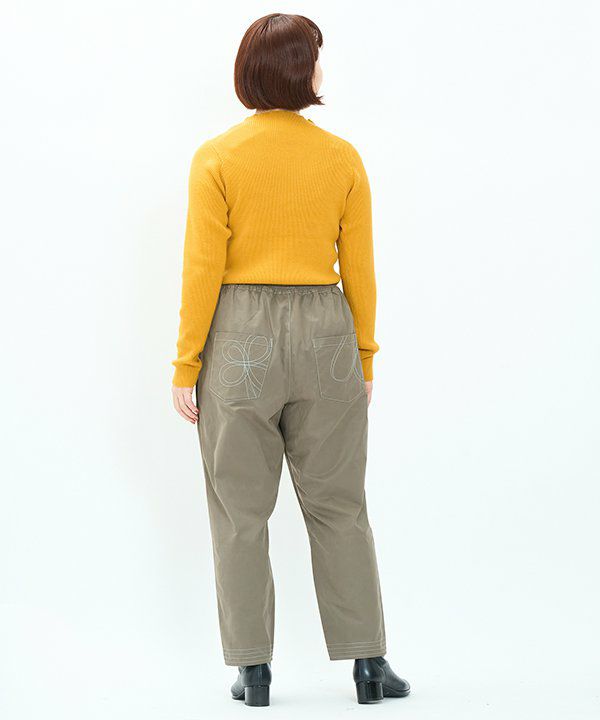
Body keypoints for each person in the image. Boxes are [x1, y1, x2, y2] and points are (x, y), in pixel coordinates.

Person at [171, 13, 410, 707]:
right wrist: (364, 356)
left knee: (239, 512)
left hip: (238, 336)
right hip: (326, 333)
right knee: (340, 505)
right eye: (317, 59)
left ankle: (253, 670)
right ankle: (368, 664)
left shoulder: (217, 157)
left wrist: (186, 365)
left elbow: (201, 269)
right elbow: (359, 269)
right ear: (303, 71)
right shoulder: (341, 158)